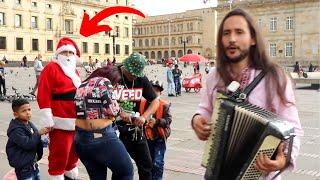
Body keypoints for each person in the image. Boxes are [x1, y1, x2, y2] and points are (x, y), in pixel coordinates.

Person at [191, 9, 303, 180]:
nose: (232, 39)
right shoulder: (215, 76)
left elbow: (293, 127)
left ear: (252, 39)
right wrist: (197, 120)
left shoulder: (275, 77)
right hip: (218, 173)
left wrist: (282, 160)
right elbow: (205, 109)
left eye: (239, 32)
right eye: (226, 33)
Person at [74, 66, 133, 180]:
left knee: (97, 176)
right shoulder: (104, 81)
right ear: (111, 77)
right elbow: (113, 109)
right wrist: (120, 111)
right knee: (126, 171)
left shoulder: (82, 85)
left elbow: (82, 111)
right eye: (116, 83)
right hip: (102, 138)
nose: (116, 86)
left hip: (81, 140)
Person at [37, 37, 81, 179]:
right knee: (60, 151)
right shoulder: (51, 68)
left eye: (70, 52)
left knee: (74, 150)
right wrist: (47, 118)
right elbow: (43, 93)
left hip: (75, 119)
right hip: (59, 118)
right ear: (58, 54)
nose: (68, 56)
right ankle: (56, 174)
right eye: (65, 52)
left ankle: (70, 168)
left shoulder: (75, 71)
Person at [115, 52, 159, 180]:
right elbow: (103, 97)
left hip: (135, 128)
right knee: (121, 166)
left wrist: (144, 116)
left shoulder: (141, 78)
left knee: (146, 164)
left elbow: (155, 101)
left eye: (137, 74)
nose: (134, 77)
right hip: (115, 129)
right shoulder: (114, 76)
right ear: (126, 67)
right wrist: (118, 111)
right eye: (132, 74)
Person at [6, 98, 50, 180]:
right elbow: (27, 143)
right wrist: (38, 133)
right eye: (24, 111)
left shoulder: (29, 124)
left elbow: (35, 140)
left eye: (29, 109)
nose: (28, 113)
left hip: (33, 166)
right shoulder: (15, 130)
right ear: (15, 114)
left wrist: (44, 140)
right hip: (23, 169)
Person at [143, 80, 172, 180]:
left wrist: (157, 122)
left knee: (157, 162)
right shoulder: (143, 103)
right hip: (146, 137)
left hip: (159, 137)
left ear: (160, 93)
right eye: (153, 90)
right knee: (148, 162)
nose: (155, 92)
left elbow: (168, 120)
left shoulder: (164, 104)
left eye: (157, 91)